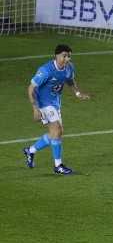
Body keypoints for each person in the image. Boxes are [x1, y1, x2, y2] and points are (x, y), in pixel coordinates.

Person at [23, 44, 89, 175]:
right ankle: (58, 166)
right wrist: (35, 108)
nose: (66, 59)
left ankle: (30, 151)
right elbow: (31, 88)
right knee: (57, 130)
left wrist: (77, 93)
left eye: (69, 56)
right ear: (56, 55)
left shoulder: (69, 68)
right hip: (43, 103)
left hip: (55, 103)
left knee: (56, 134)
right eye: (64, 56)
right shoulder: (46, 70)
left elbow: (70, 80)